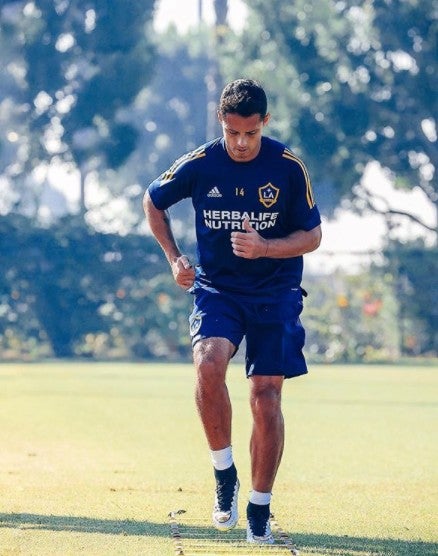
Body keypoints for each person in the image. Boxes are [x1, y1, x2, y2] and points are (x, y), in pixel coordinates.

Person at [143, 79, 321, 544]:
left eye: (250, 133)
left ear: (264, 123)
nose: (240, 144)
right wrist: (175, 258)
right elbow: (152, 200)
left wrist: (264, 247)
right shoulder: (201, 163)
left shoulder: (287, 167)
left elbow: (313, 236)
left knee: (265, 396)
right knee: (208, 363)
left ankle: (259, 506)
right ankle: (224, 473)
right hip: (218, 288)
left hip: (276, 291)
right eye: (231, 133)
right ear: (221, 124)